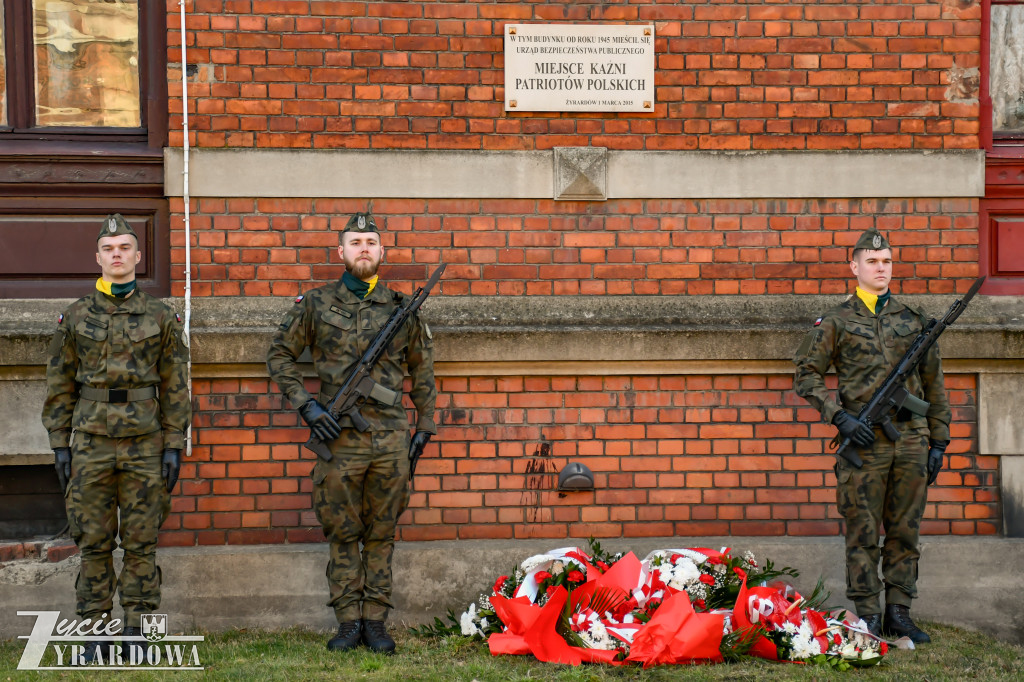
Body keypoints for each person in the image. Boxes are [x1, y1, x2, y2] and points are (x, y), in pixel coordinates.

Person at [267, 212, 437, 654]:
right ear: (340, 252)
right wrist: (307, 406)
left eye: (371, 241)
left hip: (389, 438)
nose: (364, 248)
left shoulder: (402, 310)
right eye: (355, 241)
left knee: (381, 533)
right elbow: (279, 356)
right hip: (338, 437)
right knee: (343, 532)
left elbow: (422, 372)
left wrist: (426, 425)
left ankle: (376, 622)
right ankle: (347, 622)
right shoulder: (316, 304)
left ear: (382, 253)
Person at [42, 214, 190, 660]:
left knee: (142, 542)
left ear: (138, 257)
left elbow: (176, 383)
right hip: (90, 442)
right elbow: (59, 382)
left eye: (125, 248)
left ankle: (139, 632)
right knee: (93, 542)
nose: (118, 255)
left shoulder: (162, 316)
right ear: (98, 258)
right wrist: (59, 443)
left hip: (145, 442)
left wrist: (173, 442)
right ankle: (94, 631)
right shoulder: (76, 316)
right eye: (109, 249)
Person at [793, 228, 950, 644]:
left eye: (887, 262)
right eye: (873, 262)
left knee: (905, 530)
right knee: (862, 532)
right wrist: (838, 417)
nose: (882, 268)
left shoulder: (913, 320)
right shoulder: (837, 321)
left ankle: (899, 612)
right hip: (864, 443)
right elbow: (806, 375)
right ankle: (867, 616)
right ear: (855, 267)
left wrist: (939, 442)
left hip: (912, 441)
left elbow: (934, 386)